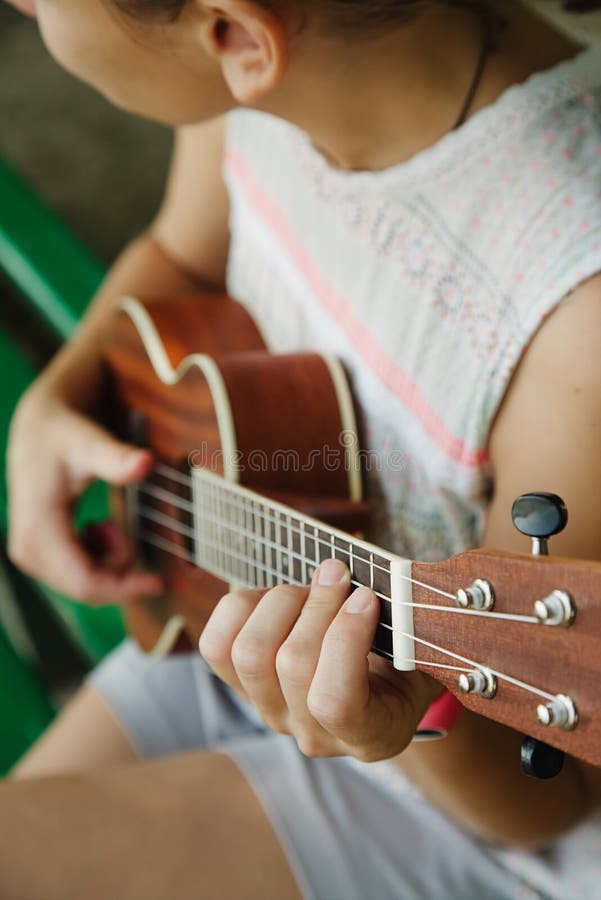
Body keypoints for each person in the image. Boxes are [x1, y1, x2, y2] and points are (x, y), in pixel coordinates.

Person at [3, 0, 601, 897]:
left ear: (236, 35)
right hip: (216, 614)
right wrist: (54, 401)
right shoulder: (255, 93)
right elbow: (182, 256)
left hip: (472, 811)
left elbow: (548, 795)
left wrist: (405, 717)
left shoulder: (572, 312)